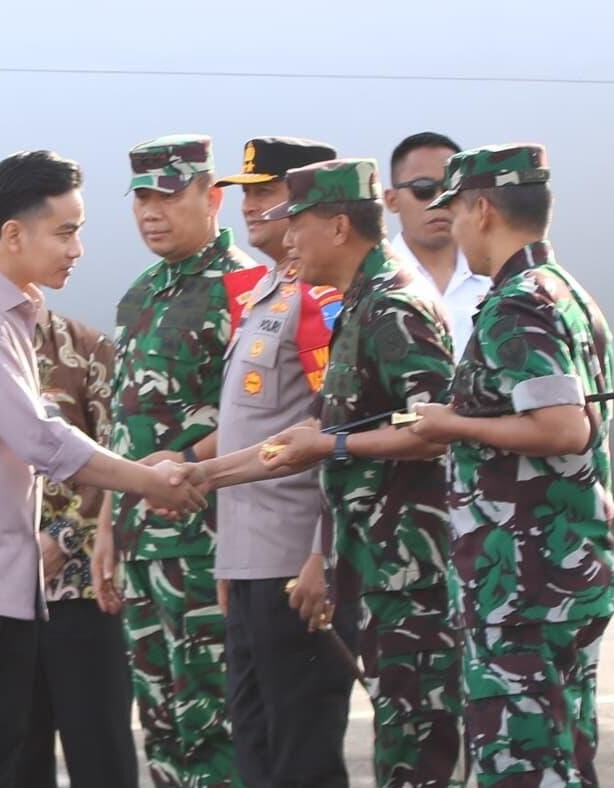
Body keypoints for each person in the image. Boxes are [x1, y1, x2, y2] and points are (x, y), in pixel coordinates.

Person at [0, 150, 205, 788]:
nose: (77, 248)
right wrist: (151, 480)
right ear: (13, 234)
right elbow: (41, 439)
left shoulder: (8, 313)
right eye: (65, 231)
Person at [196, 158, 462, 788]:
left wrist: (332, 448)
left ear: (339, 227)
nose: (287, 239)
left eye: (298, 225)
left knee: (413, 755)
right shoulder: (359, 307)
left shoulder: (395, 306)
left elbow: (435, 429)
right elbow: (299, 440)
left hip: (407, 573)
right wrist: (197, 475)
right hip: (370, 564)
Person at [408, 143, 614, 787]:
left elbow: (562, 427)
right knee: (564, 754)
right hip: (559, 569)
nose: (450, 227)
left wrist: (451, 423)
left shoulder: (518, 303)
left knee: (521, 765)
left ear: (482, 209)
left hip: (523, 582)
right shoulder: (567, 294)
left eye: (454, 211)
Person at [93, 133, 259, 788]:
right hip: (141, 544)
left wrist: (191, 461)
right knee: (160, 723)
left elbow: (260, 419)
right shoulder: (139, 296)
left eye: (166, 195)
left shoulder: (246, 289)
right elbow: (123, 430)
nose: (149, 212)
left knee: (215, 722)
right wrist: (106, 524)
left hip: (207, 547)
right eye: (139, 198)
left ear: (211, 197)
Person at [0, 199, 140, 788]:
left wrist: (62, 537)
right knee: (11, 756)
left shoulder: (84, 350)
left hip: (80, 594)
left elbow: (117, 460)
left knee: (100, 751)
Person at [208, 136, 358, 787]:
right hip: (249, 564)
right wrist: (227, 559)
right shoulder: (262, 292)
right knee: (257, 751)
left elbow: (335, 432)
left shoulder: (320, 304)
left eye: (267, 193)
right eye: (246, 192)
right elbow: (255, 427)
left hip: (293, 568)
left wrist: (320, 554)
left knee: (300, 757)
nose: (252, 206)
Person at [384, 132, 490, 362]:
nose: (439, 201)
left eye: (451, 190)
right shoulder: (371, 282)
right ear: (392, 200)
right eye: (423, 189)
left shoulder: (496, 278)